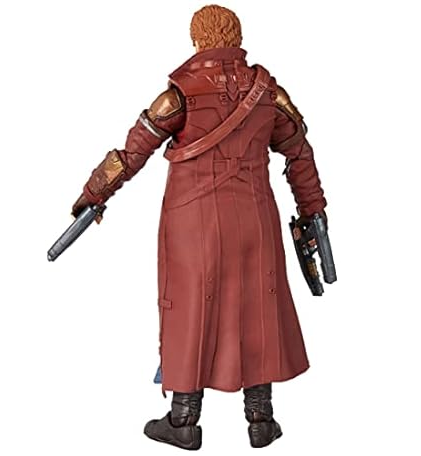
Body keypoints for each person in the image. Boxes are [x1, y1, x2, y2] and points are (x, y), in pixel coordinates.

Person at [72, 4, 327, 450]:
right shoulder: (268, 94)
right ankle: (261, 420)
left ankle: (183, 421)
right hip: (255, 218)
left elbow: (131, 154)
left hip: (194, 222)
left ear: (197, 40)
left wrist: (92, 195)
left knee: (189, 309)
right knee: (258, 306)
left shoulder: (180, 94)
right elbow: (299, 152)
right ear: (236, 38)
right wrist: (313, 211)